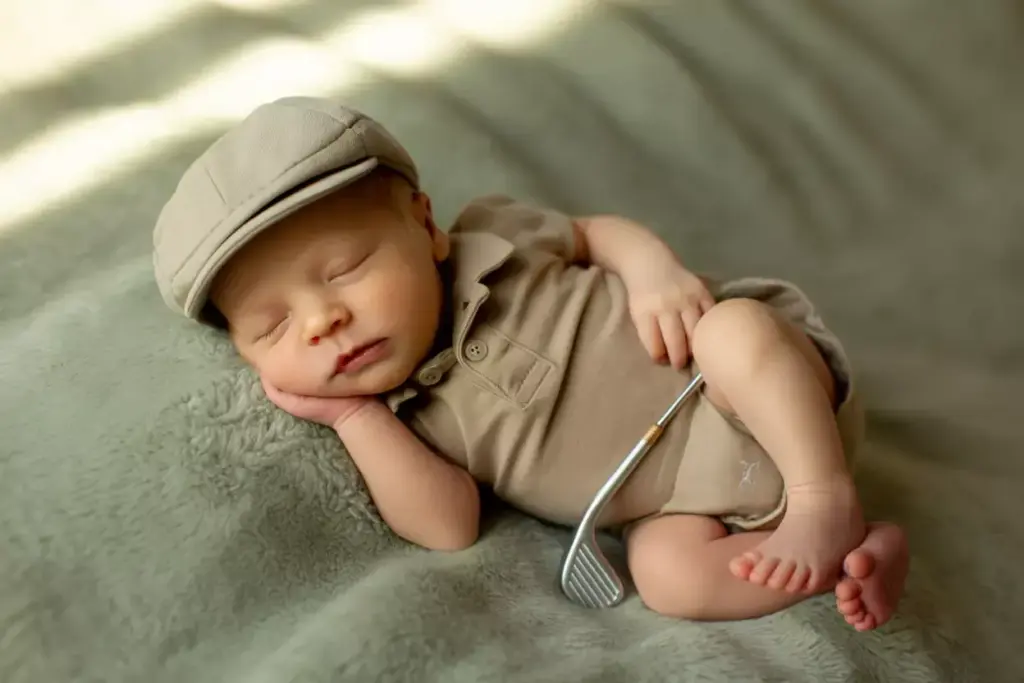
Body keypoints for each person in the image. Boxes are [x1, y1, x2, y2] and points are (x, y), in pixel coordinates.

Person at [153, 96, 908, 630]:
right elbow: (447, 527)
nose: (323, 321)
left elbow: (590, 234)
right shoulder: (409, 418)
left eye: (346, 267)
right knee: (668, 578)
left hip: (742, 394)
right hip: (686, 504)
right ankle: (849, 558)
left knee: (733, 330)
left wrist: (653, 271)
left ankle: (821, 495)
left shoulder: (495, 236)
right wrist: (352, 415)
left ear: (425, 226)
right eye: (274, 325)